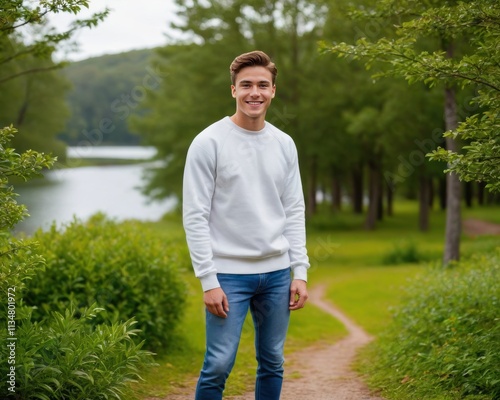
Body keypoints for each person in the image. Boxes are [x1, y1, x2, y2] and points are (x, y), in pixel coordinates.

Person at [182, 50, 310, 400]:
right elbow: (195, 215)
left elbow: (294, 210)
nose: (255, 92)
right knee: (219, 364)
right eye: (247, 85)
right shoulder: (208, 142)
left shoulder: (284, 144)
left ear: (273, 91)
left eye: (263, 85)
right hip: (227, 276)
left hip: (277, 274)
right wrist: (208, 280)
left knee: (272, 361)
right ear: (233, 91)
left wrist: (300, 271)